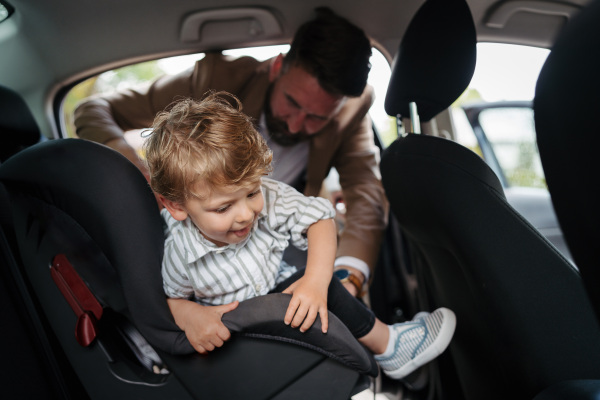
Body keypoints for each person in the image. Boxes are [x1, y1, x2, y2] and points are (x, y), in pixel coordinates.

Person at [74, 7, 387, 298]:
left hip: (278, 232)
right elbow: (94, 108)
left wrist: (350, 276)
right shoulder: (215, 80)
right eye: (292, 103)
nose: (295, 126)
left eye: (317, 118)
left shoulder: (351, 111)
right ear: (277, 67)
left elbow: (365, 195)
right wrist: (138, 172)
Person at [144, 92, 456, 380]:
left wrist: (315, 282)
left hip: (273, 300)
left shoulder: (270, 196)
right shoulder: (180, 252)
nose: (245, 214)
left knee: (318, 283)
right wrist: (191, 316)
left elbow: (319, 219)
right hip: (235, 335)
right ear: (177, 207)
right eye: (223, 207)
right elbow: (170, 300)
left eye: (252, 192)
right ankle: (386, 345)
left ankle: (387, 347)